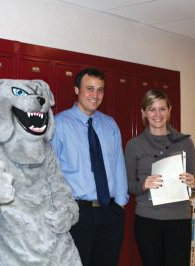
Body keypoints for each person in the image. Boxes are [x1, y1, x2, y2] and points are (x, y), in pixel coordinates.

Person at [51, 67, 128, 266]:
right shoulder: (59, 124)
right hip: (77, 213)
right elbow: (50, 171)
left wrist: (120, 205)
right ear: (77, 90)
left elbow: (118, 165)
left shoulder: (110, 125)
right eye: (90, 89)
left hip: (110, 211)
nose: (95, 95)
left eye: (100, 90)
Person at [124, 88, 195, 266]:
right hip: (148, 220)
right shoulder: (134, 145)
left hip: (179, 219)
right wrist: (143, 184)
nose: (158, 114)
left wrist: (194, 184)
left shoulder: (185, 143)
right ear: (144, 112)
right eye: (152, 109)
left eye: (162, 108)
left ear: (170, 110)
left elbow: (192, 187)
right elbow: (128, 185)